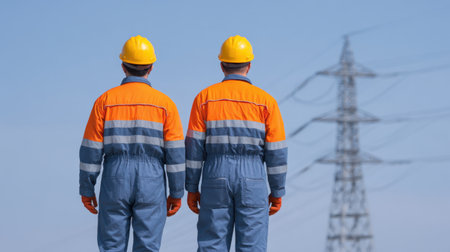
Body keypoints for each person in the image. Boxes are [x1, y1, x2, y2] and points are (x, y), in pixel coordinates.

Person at [79, 35, 185, 252]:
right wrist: (176, 192)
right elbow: (175, 154)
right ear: (151, 67)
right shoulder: (165, 105)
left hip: (115, 178)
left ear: (123, 66)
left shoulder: (105, 101)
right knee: (147, 246)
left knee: (111, 246)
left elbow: (91, 150)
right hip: (152, 179)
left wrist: (87, 188)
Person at [185, 35, 287, 252]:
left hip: (215, 174)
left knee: (211, 245)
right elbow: (276, 152)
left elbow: (194, 149)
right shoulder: (266, 102)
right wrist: (277, 190)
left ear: (222, 65)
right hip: (253, 177)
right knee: (252, 247)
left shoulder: (204, 98)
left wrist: (192, 188)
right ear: (249, 66)